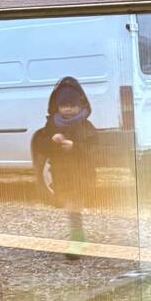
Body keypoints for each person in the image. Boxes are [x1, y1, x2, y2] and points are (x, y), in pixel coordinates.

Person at [31, 76, 98, 241]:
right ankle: (78, 234)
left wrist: (74, 147)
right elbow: (41, 145)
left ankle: (77, 239)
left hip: (82, 174)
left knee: (74, 205)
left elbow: (93, 149)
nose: (67, 109)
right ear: (57, 106)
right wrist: (52, 141)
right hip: (61, 174)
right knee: (69, 206)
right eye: (63, 105)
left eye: (72, 105)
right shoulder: (52, 125)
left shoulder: (86, 126)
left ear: (81, 105)